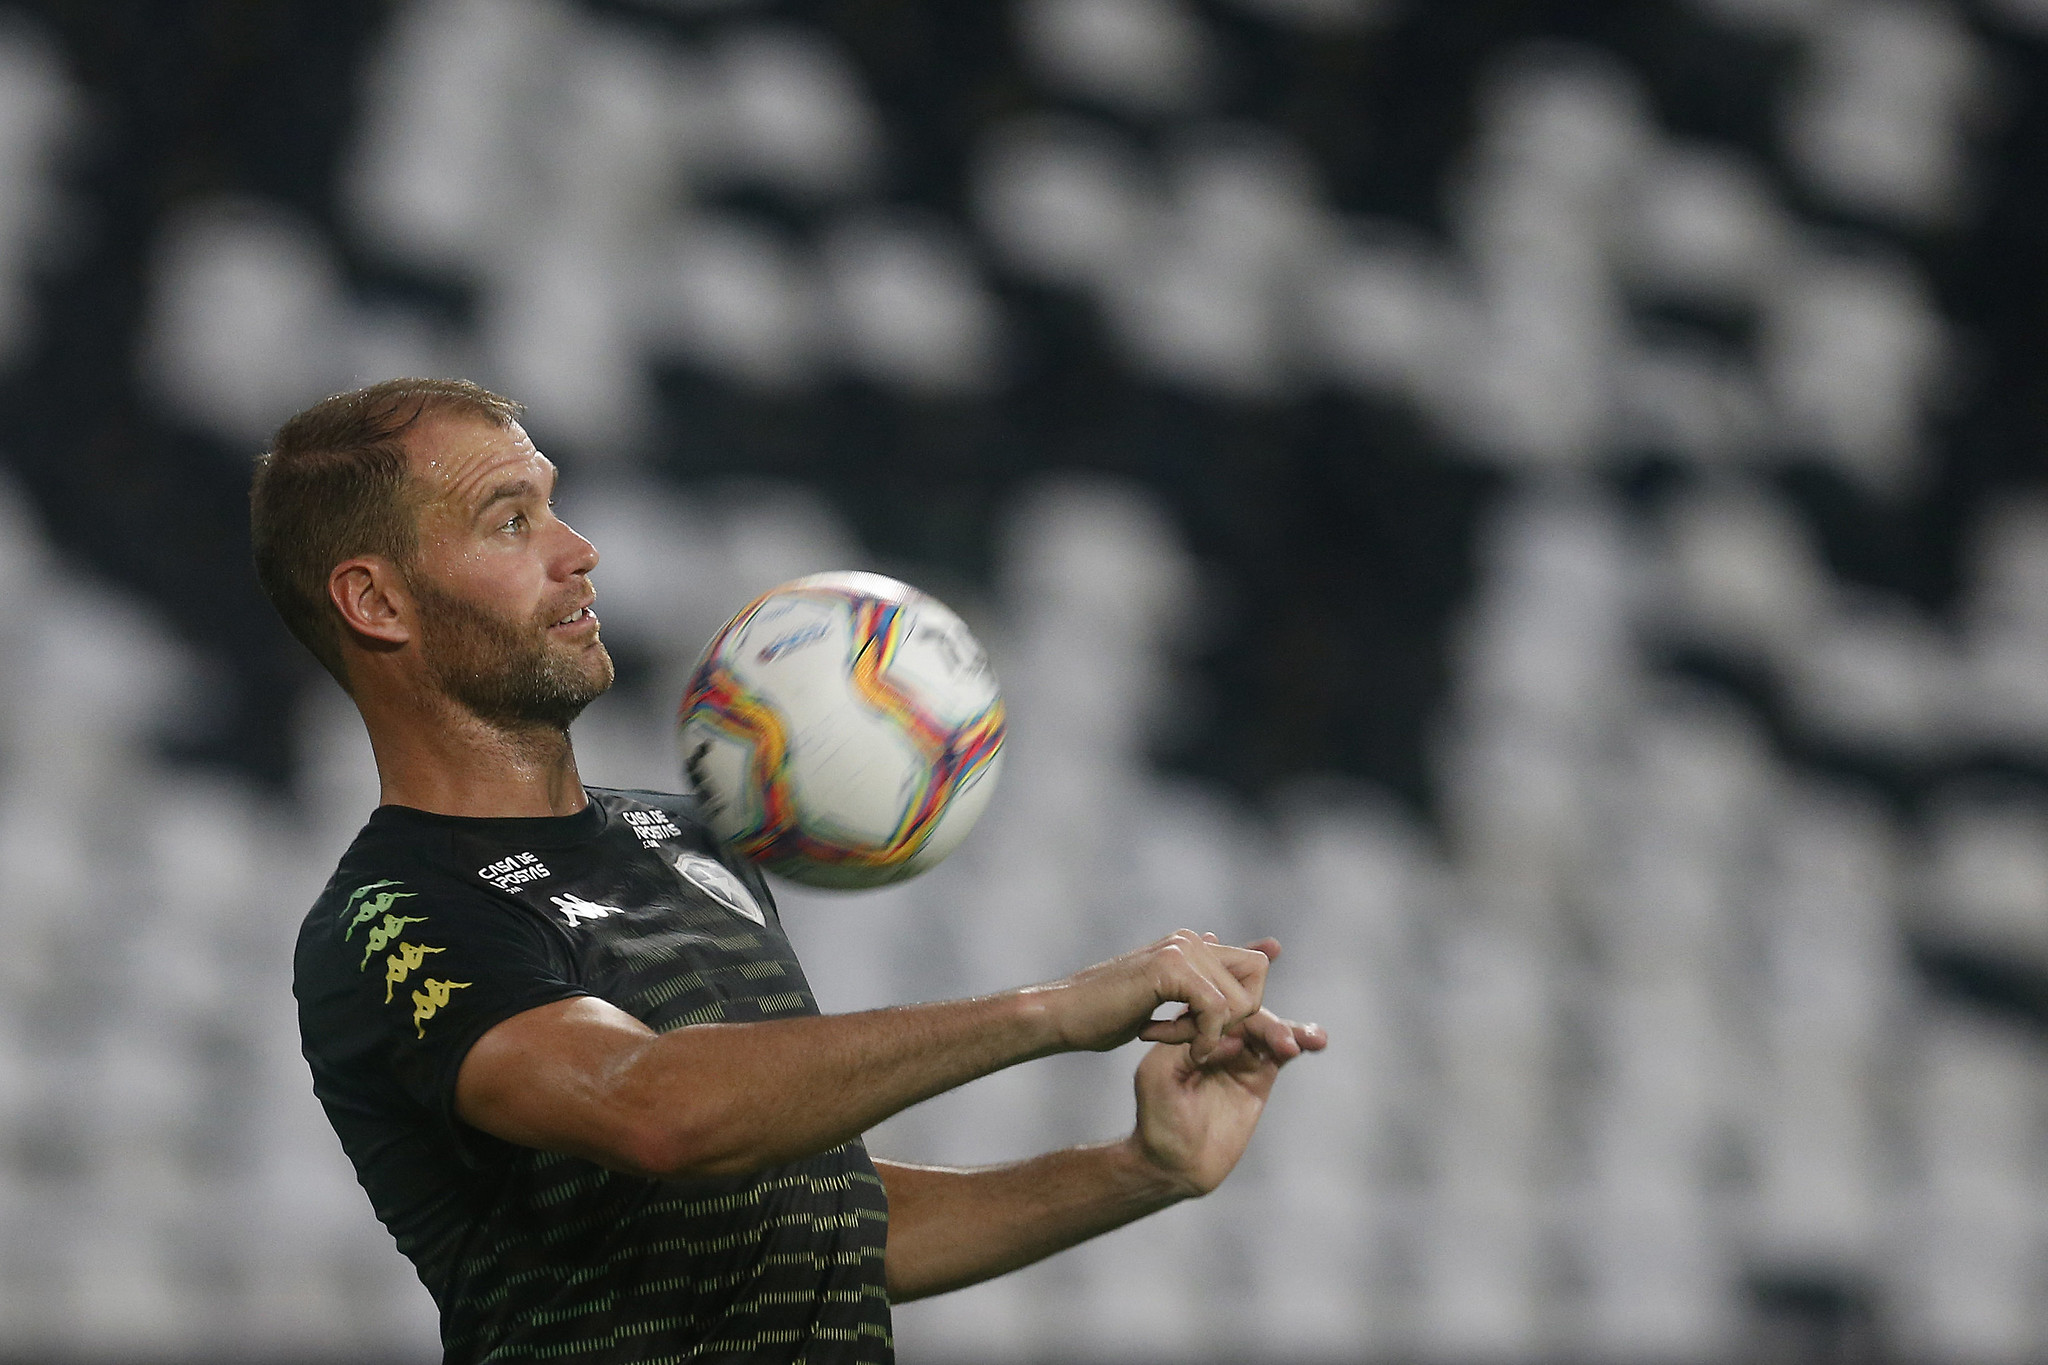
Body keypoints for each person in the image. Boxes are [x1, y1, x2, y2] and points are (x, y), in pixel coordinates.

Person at [259, 378, 1327, 1365]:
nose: (579, 550)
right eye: (509, 521)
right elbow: (655, 1110)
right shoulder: (393, 916)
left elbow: (820, 1231)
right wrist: (1048, 1012)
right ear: (377, 602)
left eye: (553, 505)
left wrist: (1142, 1168)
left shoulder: (684, 837)